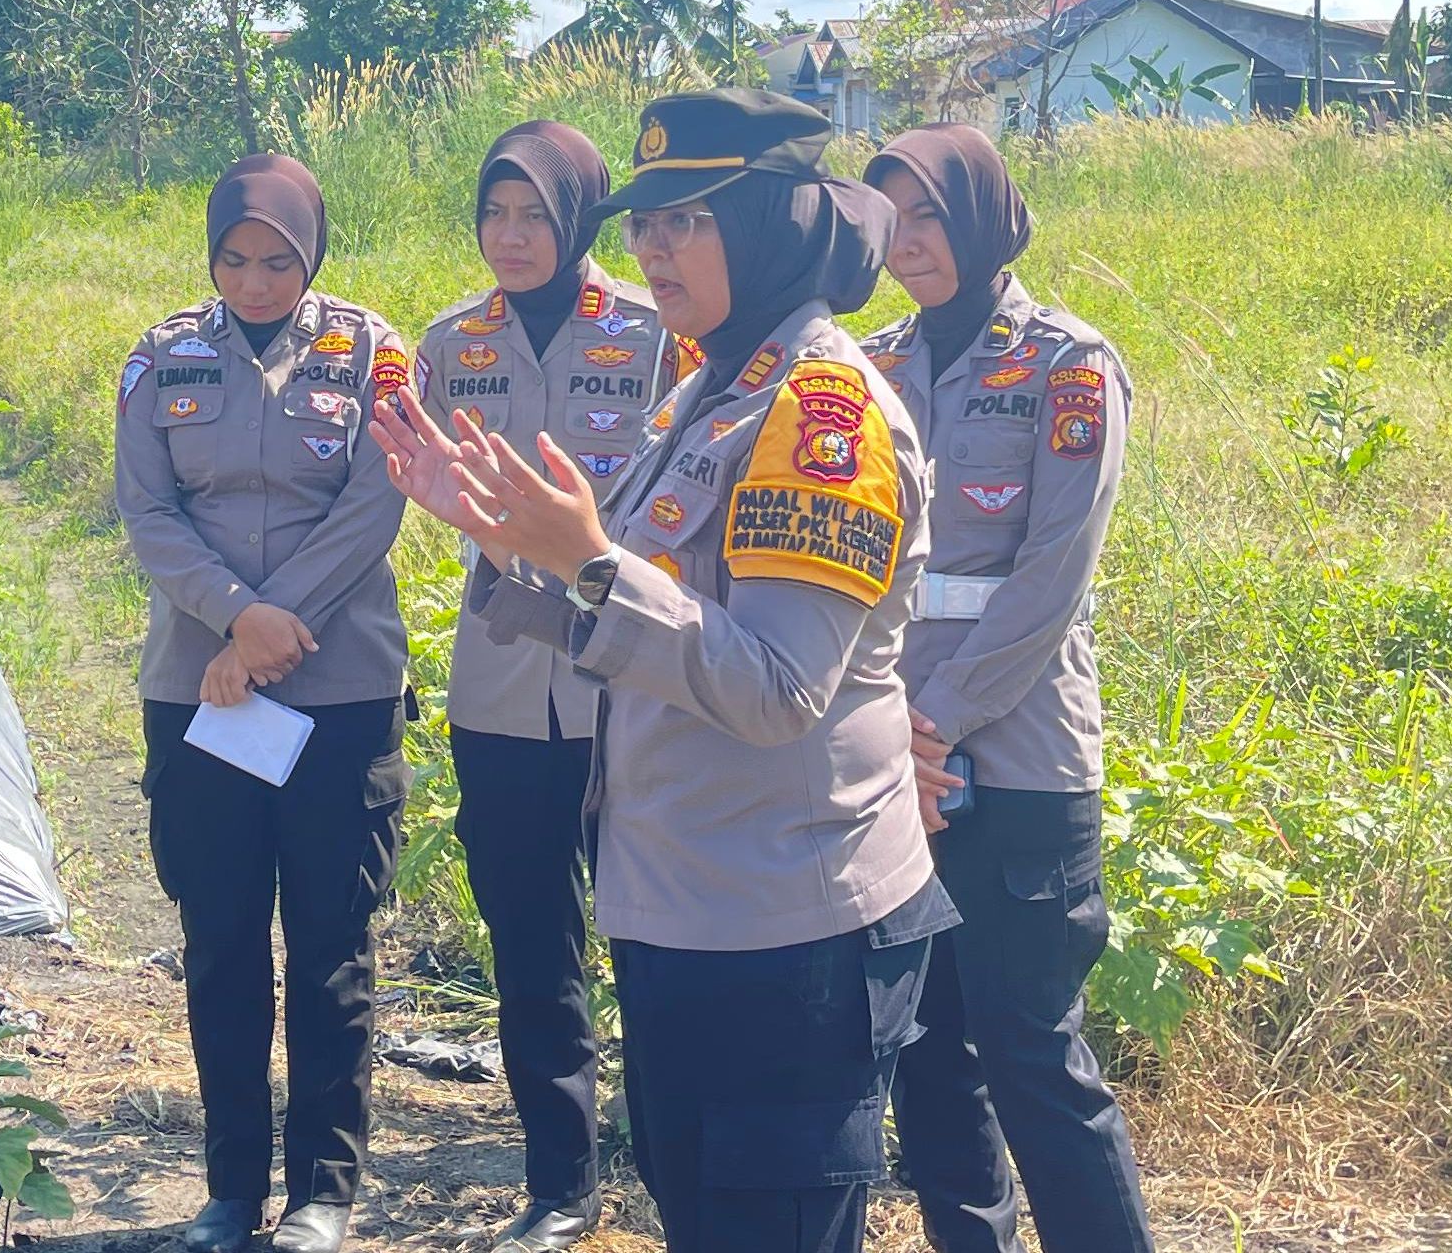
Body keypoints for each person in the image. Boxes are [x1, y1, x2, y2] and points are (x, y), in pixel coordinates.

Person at [370, 89, 956, 1253]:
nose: (650, 247)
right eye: (644, 223)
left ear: (771, 226)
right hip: (690, 907)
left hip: (788, 930)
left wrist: (586, 562)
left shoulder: (816, 411)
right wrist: (504, 539)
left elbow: (777, 686)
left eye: (687, 220)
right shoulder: (712, 392)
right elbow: (648, 620)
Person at [113, 153, 415, 1253]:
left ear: (312, 253)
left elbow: (375, 504)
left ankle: (324, 1192)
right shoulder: (162, 354)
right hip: (203, 694)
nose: (254, 281)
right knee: (223, 938)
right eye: (233, 260)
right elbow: (146, 512)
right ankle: (232, 1190)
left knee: (332, 940)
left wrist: (272, 624)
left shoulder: (374, 350)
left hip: (338, 691)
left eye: (276, 260)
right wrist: (236, 620)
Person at [861, 125, 1152, 1253]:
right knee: (928, 1050)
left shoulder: (1067, 364)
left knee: (1032, 1048)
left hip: (1019, 757)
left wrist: (934, 722)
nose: (911, 242)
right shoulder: (870, 368)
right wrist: (892, 732)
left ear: (982, 218)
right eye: (892, 221)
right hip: (898, 764)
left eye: (929, 216)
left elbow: (1051, 576)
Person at [411, 121, 681, 1253]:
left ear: (579, 219)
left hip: (633, 683)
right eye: (494, 214)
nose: (511, 238)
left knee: (657, 934)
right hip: (505, 680)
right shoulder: (449, 341)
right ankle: (559, 1182)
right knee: (529, 933)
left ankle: (676, 1170)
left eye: (534, 215)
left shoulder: (656, 334)